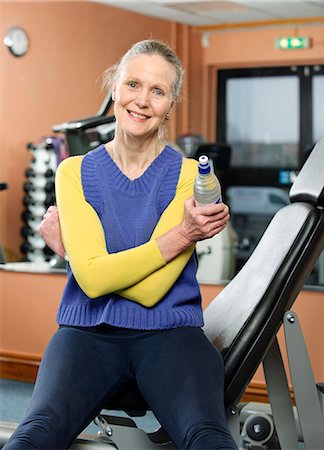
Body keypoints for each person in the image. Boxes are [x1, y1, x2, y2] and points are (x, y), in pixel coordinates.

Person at [4, 39, 237, 450]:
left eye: (158, 91)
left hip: (172, 334)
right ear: (114, 87)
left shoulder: (189, 177)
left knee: (207, 437)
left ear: (171, 102)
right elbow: (92, 282)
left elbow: (149, 292)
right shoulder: (73, 171)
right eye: (133, 84)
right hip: (86, 333)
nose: (142, 101)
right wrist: (179, 235)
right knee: (36, 432)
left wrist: (73, 253)